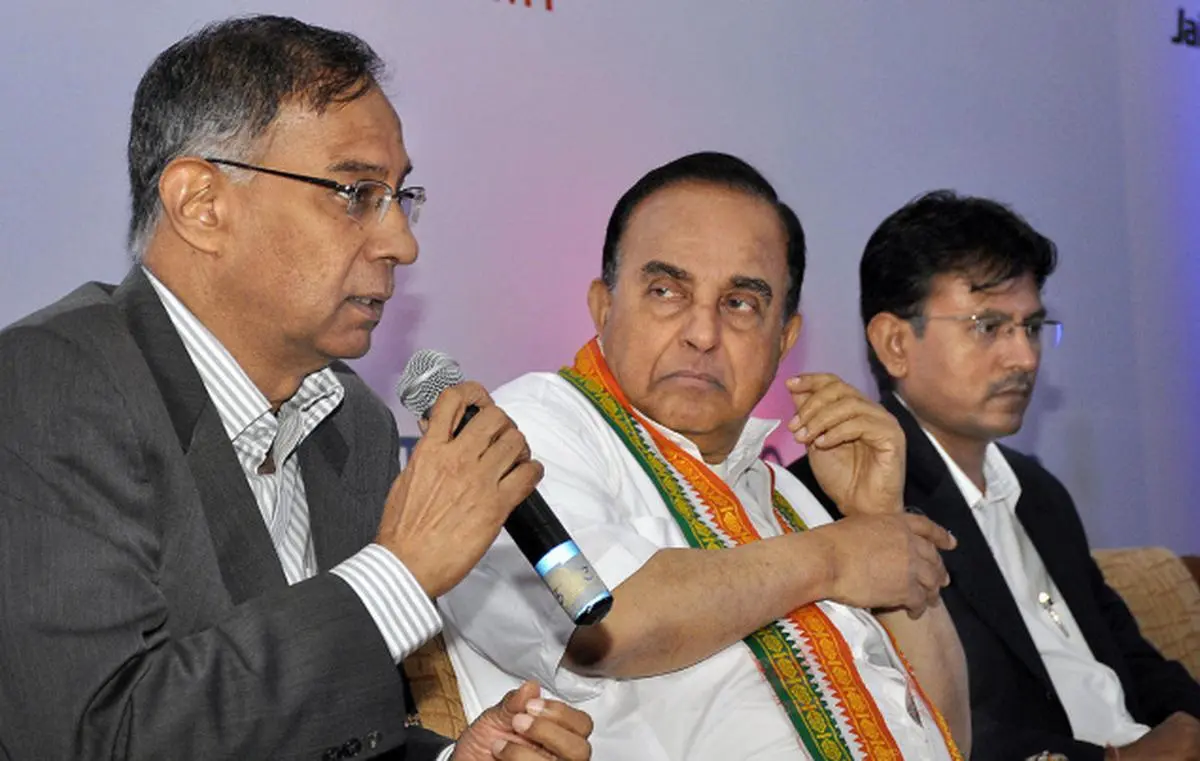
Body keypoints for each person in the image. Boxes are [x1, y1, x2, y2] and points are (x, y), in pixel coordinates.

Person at [0, 15, 593, 761]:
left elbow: (323, 731)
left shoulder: (355, 423)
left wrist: (451, 757)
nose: (402, 242)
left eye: (400, 195)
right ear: (201, 204)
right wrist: (399, 572)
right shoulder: (47, 384)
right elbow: (91, 738)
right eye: (354, 192)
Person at [439, 152, 971, 760]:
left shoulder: (782, 493)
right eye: (666, 291)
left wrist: (878, 518)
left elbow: (948, 731)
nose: (703, 332)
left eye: (741, 303)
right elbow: (606, 625)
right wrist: (835, 556)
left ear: (784, 339)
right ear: (604, 306)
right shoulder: (529, 427)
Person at [789, 190, 1200, 760]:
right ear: (895, 344)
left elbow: (1130, 658)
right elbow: (913, 717)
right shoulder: (840, 501)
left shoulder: (1040, 494)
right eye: (988, 327)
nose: (1025, 358)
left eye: (1031, 327)